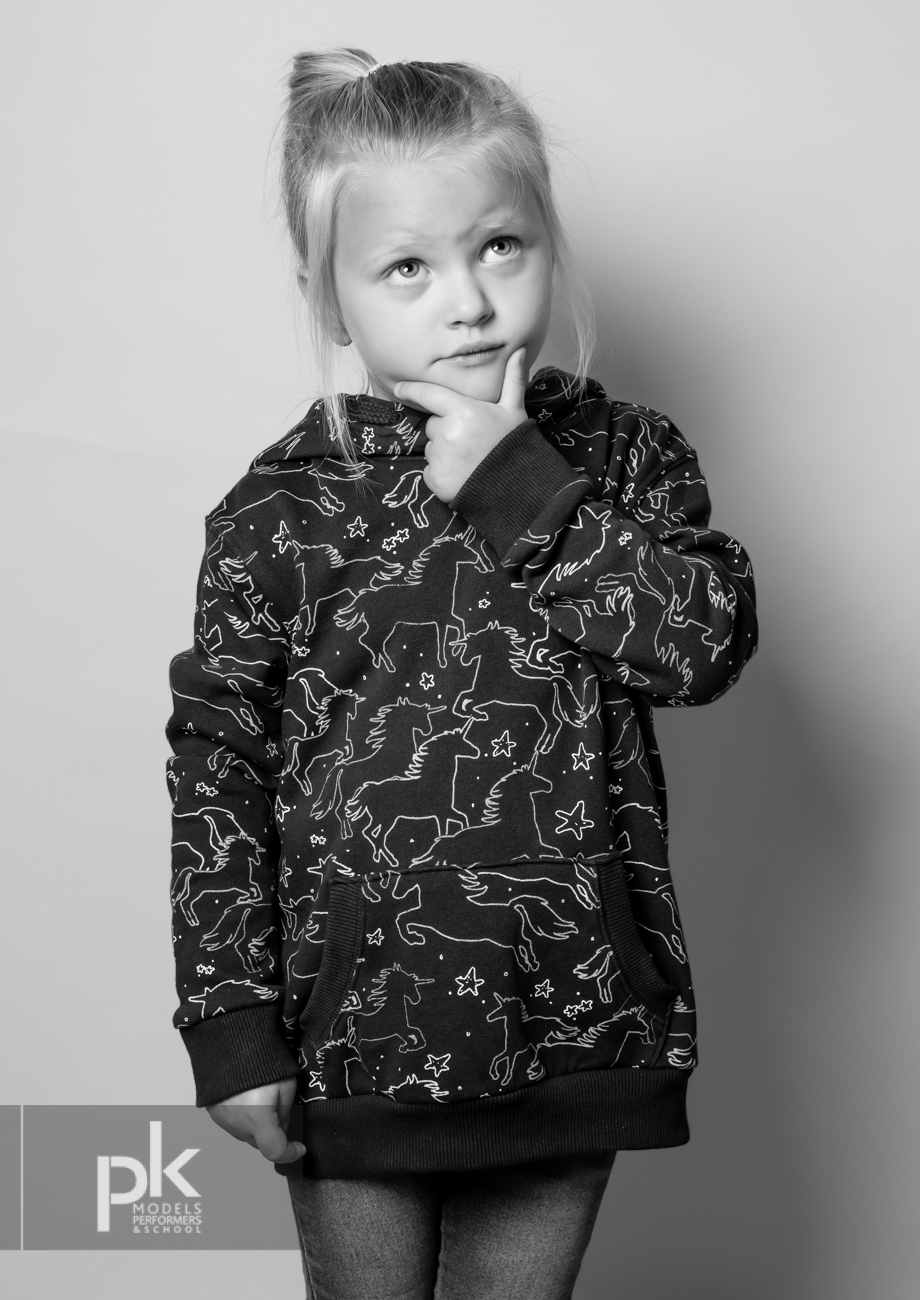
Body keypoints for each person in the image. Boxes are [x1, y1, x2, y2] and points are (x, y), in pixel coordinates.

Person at [166, 48, 758, 1300]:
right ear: (330, 298)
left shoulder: (623, 459)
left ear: (546, 240)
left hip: (575, 1031)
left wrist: (519, 486)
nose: (469, 302)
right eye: (407, 268)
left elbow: (701, 644)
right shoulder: (279, 509)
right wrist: (228, 1026)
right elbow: (218, 768)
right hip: (355, 1045)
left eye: (499, 245)